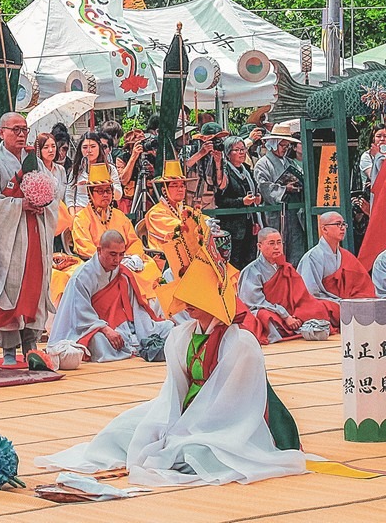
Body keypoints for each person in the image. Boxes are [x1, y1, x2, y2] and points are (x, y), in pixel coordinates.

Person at [37, 212, 306, 486]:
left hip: (222, 425)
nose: (184, 302)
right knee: (122, 431)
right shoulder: (182, 336)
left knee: (195, 452)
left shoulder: (240, 343)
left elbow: (234, 409)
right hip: (184, 413)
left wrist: (185, 427)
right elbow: (172, 393)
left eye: (193, 293)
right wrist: (165, 425)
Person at [0, 112, 57, 365]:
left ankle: (31, 348)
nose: (21, 134)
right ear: (2, 133)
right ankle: (9, 352)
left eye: (24, 130)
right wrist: (20, 205)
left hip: (34, 237)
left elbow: (51, 193)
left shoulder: (36, 162)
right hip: (7, 241)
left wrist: (43, 204)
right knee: (9, 288)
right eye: (15, 129)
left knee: (33, 288)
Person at [48, 230, 172, 362]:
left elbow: (135, 308)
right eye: (112, 254)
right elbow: (80, 314)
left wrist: (142, 329)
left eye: (121, 255)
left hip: (121, 326)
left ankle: (133, 342)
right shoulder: (82, 277)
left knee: (168, 327)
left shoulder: (122, 273)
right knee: (98, 342)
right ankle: (132, 345)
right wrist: (106, 329)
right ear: (99, 250)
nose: (117, 260)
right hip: (92, 329)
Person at [71, 163, 160, 299]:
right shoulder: (81, 218)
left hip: (124, 260)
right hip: (100, 264)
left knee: (150, 267)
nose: (105, 195)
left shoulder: (119, 215)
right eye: (100, 191)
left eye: (108, 190)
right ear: (90, 193)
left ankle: (149, 309)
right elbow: (84, 247)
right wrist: (112, 259)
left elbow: (133, 241)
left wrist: (132, 257)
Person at [238, 228, 337, 344]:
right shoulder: (252, 271)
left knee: (318, 308)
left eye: (279, 243)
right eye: (271, 243)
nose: (276, 247)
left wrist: (295, 314)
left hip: (289, 312)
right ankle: (293, 327)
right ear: (259, 246)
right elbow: (255, 302)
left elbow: (301, 296)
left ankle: (298, 325)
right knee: (265, 316)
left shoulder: (286, 268)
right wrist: (285, 315)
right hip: (268, 310)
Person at [296, 211, 375, 319]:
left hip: (344, 304)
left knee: (368, 306)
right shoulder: (312, 257)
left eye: (344, 224)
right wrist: (339, 303)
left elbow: (363, 286)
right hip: (326, 305)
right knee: (314, 310)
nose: (342, 228)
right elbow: (309, 294)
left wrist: (350, 302)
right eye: (338, 224)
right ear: (324, 229)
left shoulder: (346, 256)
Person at [254, 121, 306, 266]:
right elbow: (263, 186)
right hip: (276, 212)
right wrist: (284, 189)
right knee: (276, 246)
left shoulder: (290, 162)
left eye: (287, 146)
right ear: (273, 143)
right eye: (282, 145)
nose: (285, 148)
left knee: (295, 247)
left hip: (293, 211)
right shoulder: (263, 164)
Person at [215, 136, 262, 270]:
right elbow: (221, 200)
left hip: (250, 223)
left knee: (250, 260)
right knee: (234, 263)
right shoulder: (224, 171)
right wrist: (241, 201)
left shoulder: (246, 169)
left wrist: (258, 198)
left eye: (243, 149)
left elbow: (254, 190)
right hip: (232, 226)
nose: (241, 153)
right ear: (228, 153)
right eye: (237, 150)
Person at [144, 161, 198, 253]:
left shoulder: (181, 207)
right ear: (164, 190)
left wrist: (207, 221)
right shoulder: (155, 214)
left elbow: (198, 216)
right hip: (165, 260)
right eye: (175, 185)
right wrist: (199, 225)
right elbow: (182, 229)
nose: (180, 189)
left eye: (182, 186)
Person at [65, 132, 121, 214]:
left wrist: (104, 184)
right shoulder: (77, 170)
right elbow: (69, 195)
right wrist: (73, 215)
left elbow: (118, 195)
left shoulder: (109, 169)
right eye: (85, 147)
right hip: (81, 213)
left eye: (93, 146)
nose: (89, 151)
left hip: (103, 214)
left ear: (99, 147)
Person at [183, 122, 227, 209]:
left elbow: (222, 185)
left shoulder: (220, 155)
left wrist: (218, 163)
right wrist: (200, 154)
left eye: (218, 140)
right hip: (188, 204)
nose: (216, 143)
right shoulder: (189, 149)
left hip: (208, 204)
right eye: (213, 140)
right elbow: (181, 170)